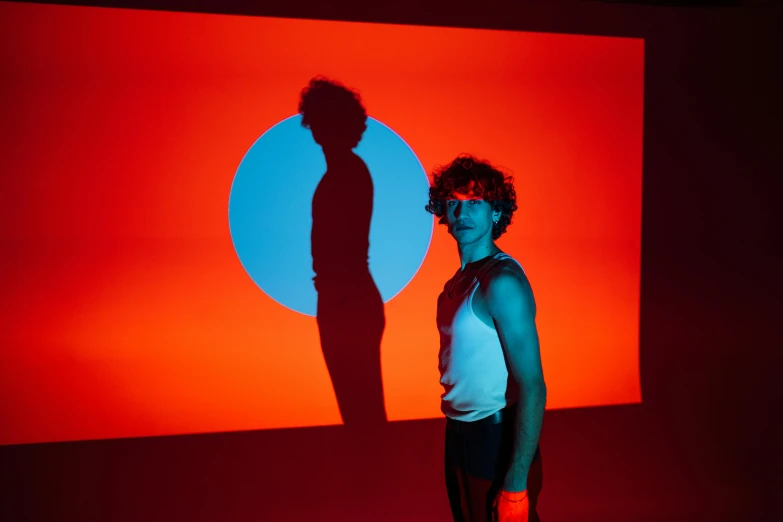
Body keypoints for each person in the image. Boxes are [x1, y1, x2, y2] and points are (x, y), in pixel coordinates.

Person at [425, 155, 546, 522]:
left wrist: (516, 480)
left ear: (496, 213)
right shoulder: (455, 285)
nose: (462, 213)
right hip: (458, 436)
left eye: (475, 203)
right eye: (454, 204)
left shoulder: (501, 281)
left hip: (496, 439)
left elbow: (533, 386)